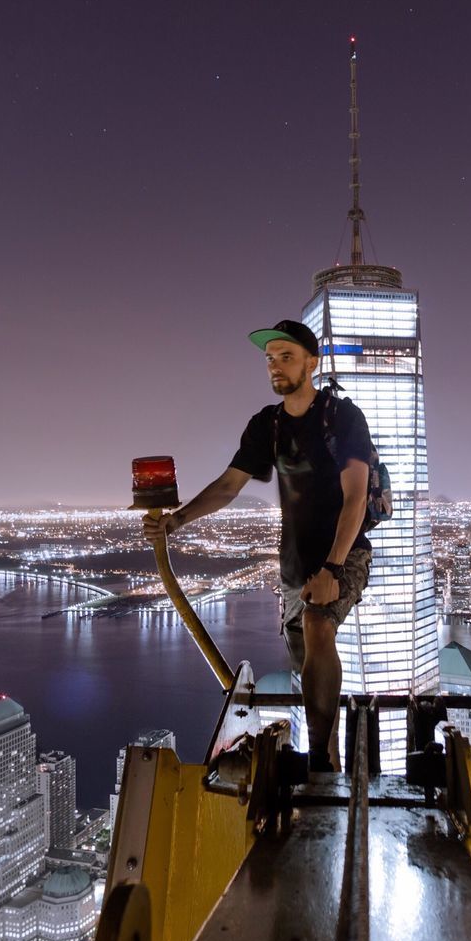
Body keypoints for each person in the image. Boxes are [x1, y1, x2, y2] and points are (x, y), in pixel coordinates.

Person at [142, 318, 372, 772]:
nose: (275, 366)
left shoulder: (342, 418)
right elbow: (229, 485)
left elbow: (356, 496)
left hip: (344, 556)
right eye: (270, 358)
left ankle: (320, 767)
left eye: (286, 356)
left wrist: (333, 568)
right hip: (294, 565)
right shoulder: (266, 426)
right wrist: (178, 520)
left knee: (317, 623)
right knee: (305, 655)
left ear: (312, 362)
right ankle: (332, 760)